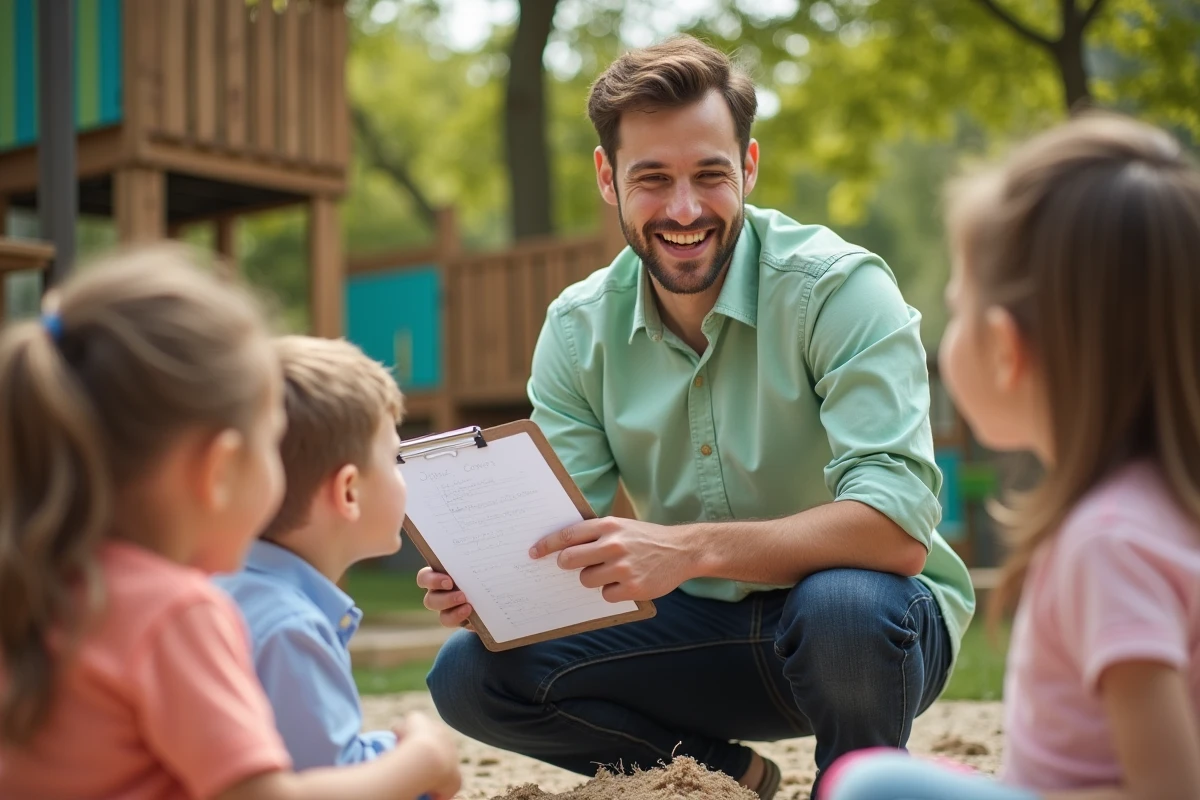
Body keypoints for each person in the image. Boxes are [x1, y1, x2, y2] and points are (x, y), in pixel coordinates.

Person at [418, 35, 974, 798]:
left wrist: (687, 550)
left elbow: (896, 528)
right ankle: (725, 776)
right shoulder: (579, 329)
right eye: (652, 179)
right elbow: (552, 542)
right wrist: (489, 580)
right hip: (698, 639)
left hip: (874, 635)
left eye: (710, 175)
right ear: (608, 179)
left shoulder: (840, 291)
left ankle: (856, 785)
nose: (684, 210)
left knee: (841, 604)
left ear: (748, 167)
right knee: (471, 674)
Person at [821, 114, 1200, 798]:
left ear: (1004, 347)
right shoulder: (1165, 505)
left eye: (956, 307)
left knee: (867, 786)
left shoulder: (1108, 542)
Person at [0, 246, 461, 800]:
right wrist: (421, 760)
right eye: (269, 443)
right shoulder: (177, 613)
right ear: (218, 469)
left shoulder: (39, 583)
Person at [214, 336, 413, 769]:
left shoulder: (219, 587)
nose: (405, 478)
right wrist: (416, 759)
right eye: (397, 460)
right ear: (348, 492)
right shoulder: (291, 629)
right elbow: (333, 782)